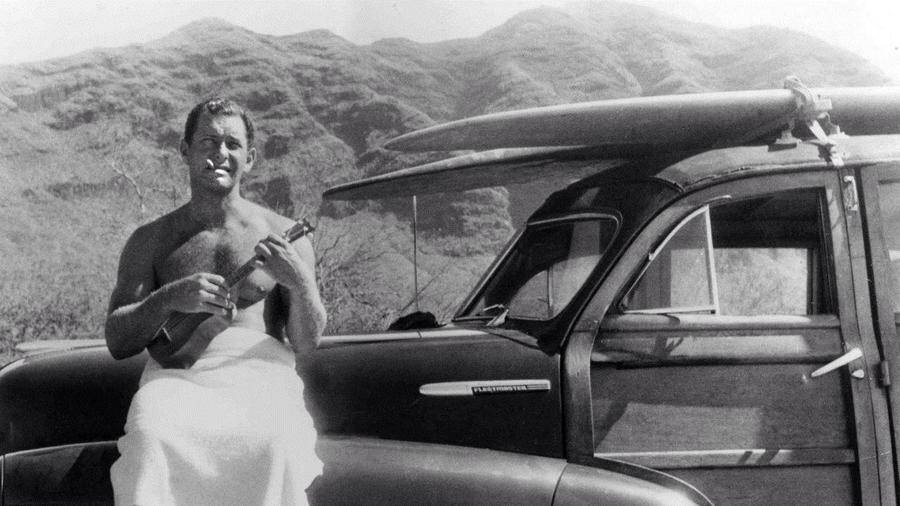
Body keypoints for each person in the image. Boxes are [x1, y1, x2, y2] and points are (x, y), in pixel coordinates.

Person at [105, 97, 326, 505]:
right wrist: (170, 298)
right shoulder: (150, 240)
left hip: (261, 375)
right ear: (185, 151)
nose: (220, 153)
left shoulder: (283, 235)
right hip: (175, 378)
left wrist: (297, 281)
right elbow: (118, 340)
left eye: (232, 144)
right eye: (208, 142)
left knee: (274, 442)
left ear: (250, 158)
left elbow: (307, 342)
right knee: (151, 436)